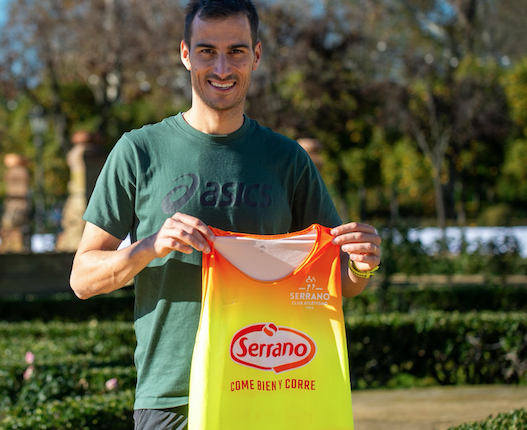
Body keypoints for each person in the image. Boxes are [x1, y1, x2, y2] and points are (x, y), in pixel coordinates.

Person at [70, 0, 382, 428]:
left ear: (256, 55)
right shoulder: (139, 151)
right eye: (206, 51)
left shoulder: (286, 159)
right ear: (185, 54)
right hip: (171, 397)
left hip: (270, 388)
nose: (221, 67)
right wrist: (149, 247)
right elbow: (82, 279)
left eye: (236, 51)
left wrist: (362, 267)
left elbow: (336, 282)